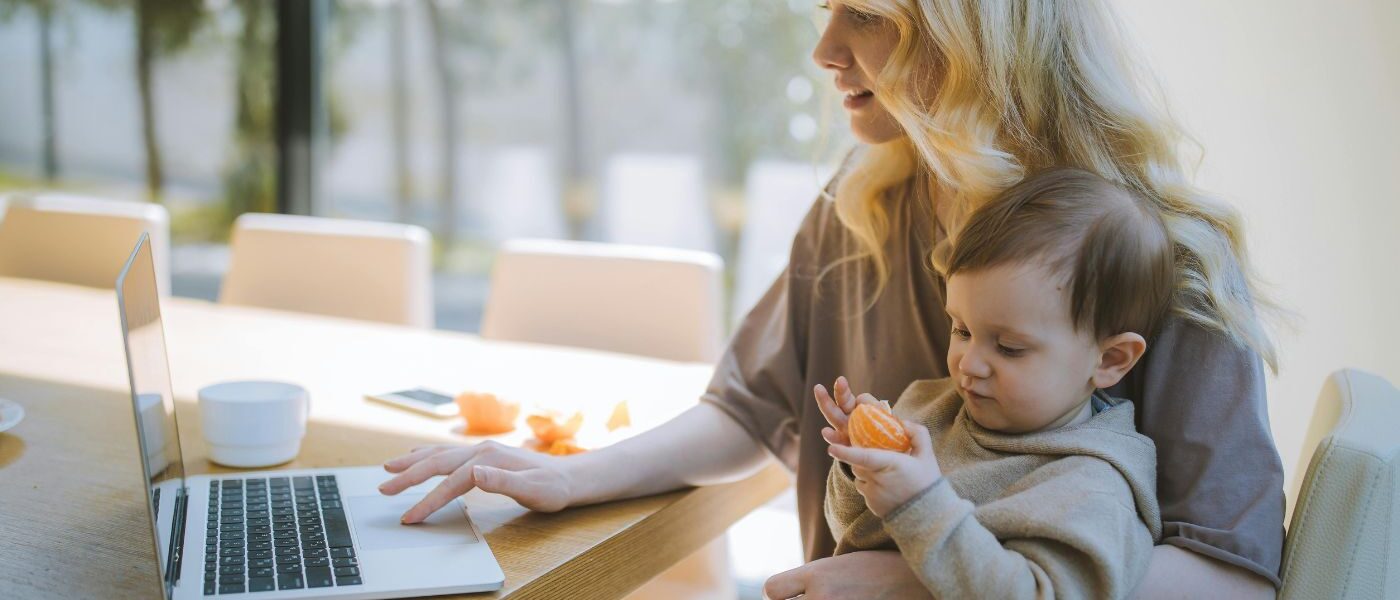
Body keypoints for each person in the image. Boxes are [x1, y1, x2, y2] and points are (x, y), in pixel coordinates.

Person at [378, 1, 1286, 597]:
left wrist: (916, 578)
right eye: (825, 10)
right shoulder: (861, 203)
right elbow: (751, 407)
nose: (823, 50)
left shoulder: (1163, 255)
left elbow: (1230, 573)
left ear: (977, 35)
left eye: (866, 15)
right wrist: (574, 475)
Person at [819, 167, 1172, 599]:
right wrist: (862, 466)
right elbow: (855, 537)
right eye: (962, 330)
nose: (969, 363)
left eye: (1008, 347)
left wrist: (922, 505)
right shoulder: (931, 408)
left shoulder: (1093, 488)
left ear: (1110, 359)